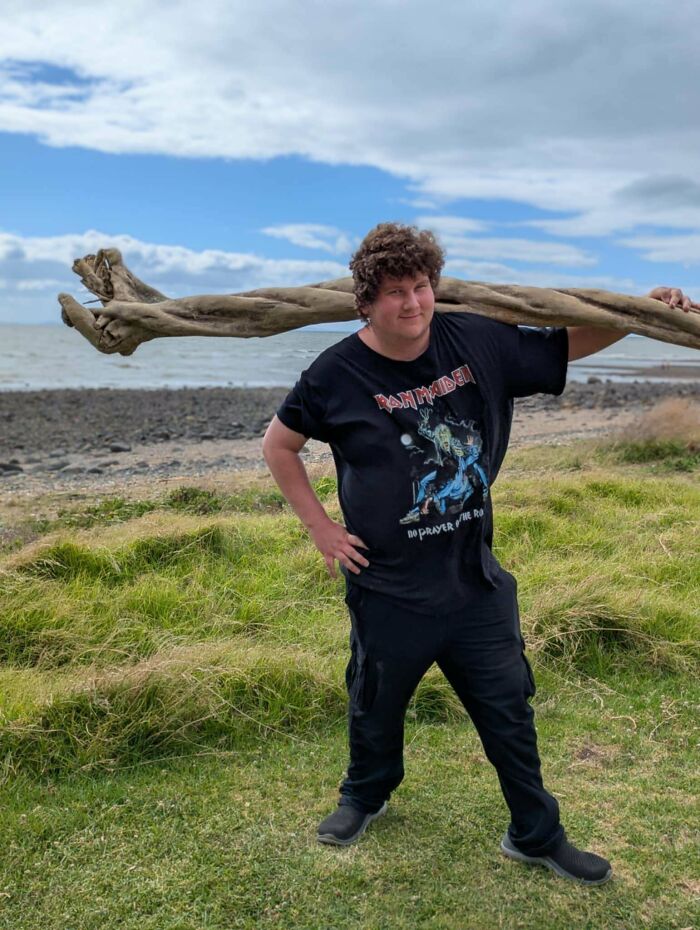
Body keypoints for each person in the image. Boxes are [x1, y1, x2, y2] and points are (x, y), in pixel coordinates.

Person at [262, 222, 696, 885]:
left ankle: (535, 833)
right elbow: (279, 445)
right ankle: (365, 795)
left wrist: (637, 317)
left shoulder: (476, 339)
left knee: (509, 713)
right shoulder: (334, 374)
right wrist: (320, 527)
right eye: (395, 294)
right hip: (388, 588)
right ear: (365, 303)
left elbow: (564, 345)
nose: (412, 304)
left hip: (473, 583)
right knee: (374, 703)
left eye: (421, 288)